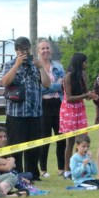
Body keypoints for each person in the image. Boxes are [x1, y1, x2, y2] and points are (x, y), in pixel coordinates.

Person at [1, 36, 51, 180]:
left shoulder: (36, 65)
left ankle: (33, 174)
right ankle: (17, 174)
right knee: (16, 146)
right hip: (16, 113)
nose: (24, 52)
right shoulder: (9, 64)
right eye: (21, 49)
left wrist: (41, 67)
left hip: (35, 113)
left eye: (26, 48)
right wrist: (16, 66)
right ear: (16, 50)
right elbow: (4, 82)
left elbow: (47, 84)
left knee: (34, 146)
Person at [58, 53, 96, 179]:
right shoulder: (68, 77)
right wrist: (85, 96)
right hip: (69, 109)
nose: (87, 65)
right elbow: (68, 98)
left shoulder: (83, 76)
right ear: (79, 64)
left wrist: (91, 95)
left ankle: (80, 168)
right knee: (70, 142)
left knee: (81, 140)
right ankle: (67, 170)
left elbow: (84, 93)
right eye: (85, 62)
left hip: (80, 108)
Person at [37, 38, 64, 178]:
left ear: (51, 50)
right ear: (38, 51)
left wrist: (48, 86)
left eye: (47, 48)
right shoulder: (35, 67)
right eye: (43, 48)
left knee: (61, 137)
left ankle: (61, 168)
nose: (46, 51)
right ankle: (43, 169)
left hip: (58, 103)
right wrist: (53, 86)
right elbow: (38, 90)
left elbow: (63, 86)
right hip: (43, 105)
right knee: (44, 137)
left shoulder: (58, 67)